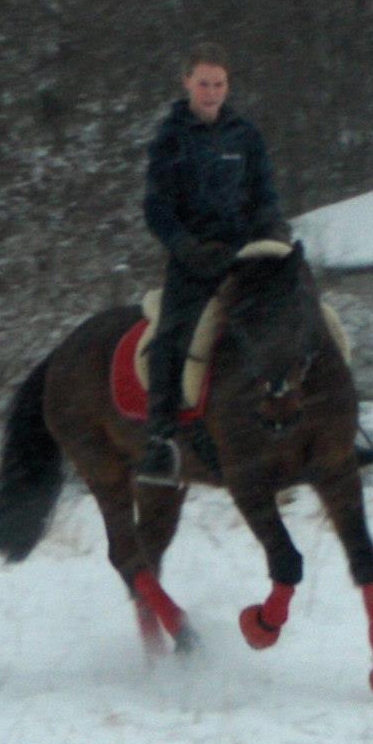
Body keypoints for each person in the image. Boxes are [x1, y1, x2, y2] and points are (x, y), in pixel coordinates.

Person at [136, 42, 290, 486]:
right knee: (170, 337)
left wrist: (273, 232)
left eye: (219, 84)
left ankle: (331, 426)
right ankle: (161, 443)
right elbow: (156, 208)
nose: (211, 92)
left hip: (248, 253)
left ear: (228, 85)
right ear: (187, 82)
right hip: (194, 259)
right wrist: (186, 246)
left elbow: (265, 195)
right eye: (204, 84)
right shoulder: (170, 137)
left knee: (298, 311)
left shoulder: (246, 135)